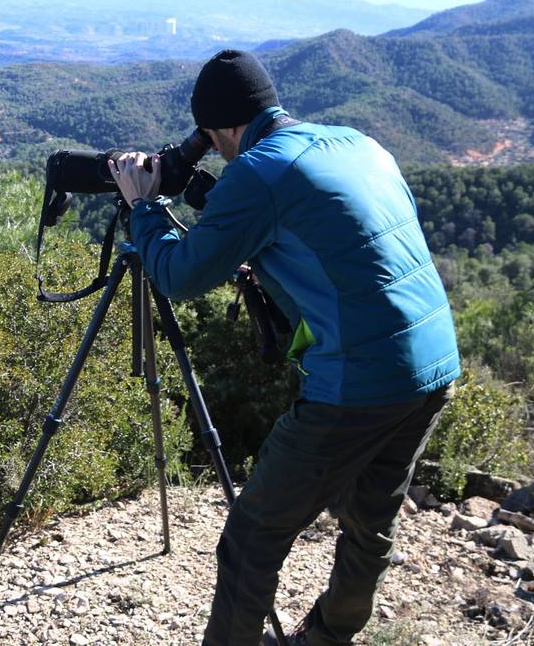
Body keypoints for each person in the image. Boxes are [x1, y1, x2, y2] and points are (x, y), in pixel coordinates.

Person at [108, 49, 460, 646]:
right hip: (432, 362)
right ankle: (329, 637)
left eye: (211, 139)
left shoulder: (259, 171)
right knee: (370, 524)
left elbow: (179, 275)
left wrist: (145, 208)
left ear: (221, 128)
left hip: (358, 381)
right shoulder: (355, 142)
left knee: (252, 539)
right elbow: (316, 224)